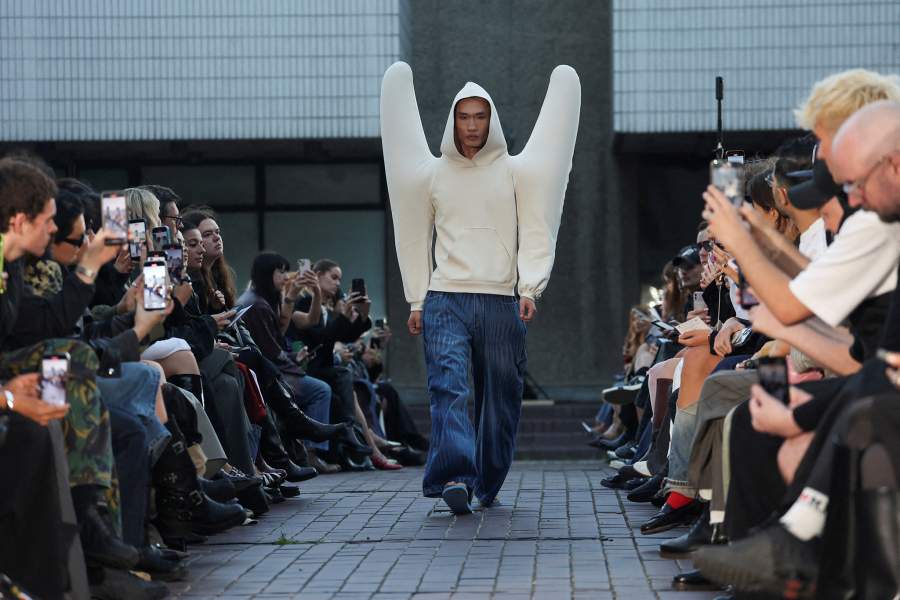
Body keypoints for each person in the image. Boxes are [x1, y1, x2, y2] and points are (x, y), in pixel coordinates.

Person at [380, 61, 580, 513]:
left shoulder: (515, 171)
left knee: (502, 398)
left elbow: (536, 227)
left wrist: (530, 288)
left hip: (500, 299)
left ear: (491, 120)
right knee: (448, 388)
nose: (472, 126)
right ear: (453, 121)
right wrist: (416, 298)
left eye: (480, 116)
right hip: (444, 297)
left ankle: (486, 481)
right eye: (464, 117)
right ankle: (454, 475)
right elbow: (412, 232)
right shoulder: (431, 174)